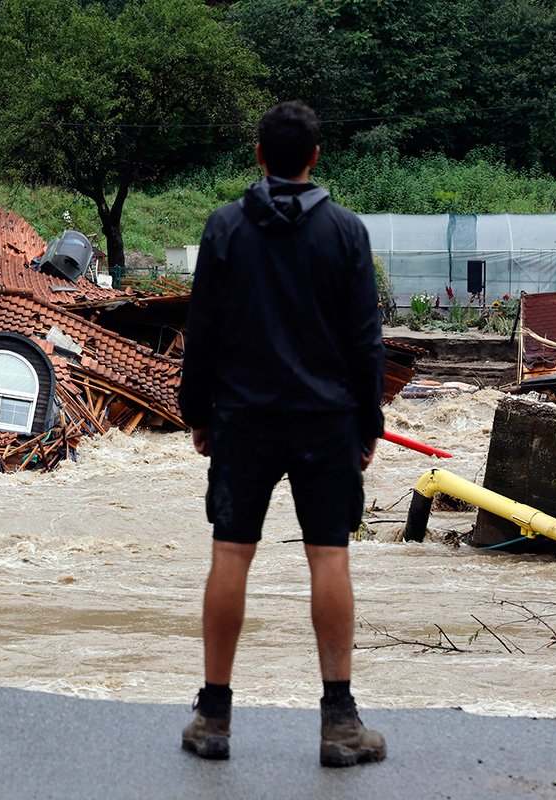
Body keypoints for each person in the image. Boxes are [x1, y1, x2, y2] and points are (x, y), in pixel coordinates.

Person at [177, 101, 386, 767]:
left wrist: (197, 413)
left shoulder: (226, 228)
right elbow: (365, 341)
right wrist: (368, 424)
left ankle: (213, 716)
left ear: (259, 155)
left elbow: (201, 331)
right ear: (315, 157)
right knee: (329, 557)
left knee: (231, 555)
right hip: (325, 422)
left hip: (244, 418)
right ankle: (340, 723)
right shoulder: (347, 234)